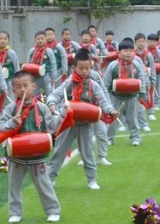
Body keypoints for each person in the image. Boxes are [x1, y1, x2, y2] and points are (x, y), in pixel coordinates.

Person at [48, 49, 117, 190]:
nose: (84, 71)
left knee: (88, 153)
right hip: (68, 123)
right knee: (59, 151)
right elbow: (54, 95)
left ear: (91, 67)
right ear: (74, 68)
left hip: (85, 123)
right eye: (81, 68)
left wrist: (110, 110)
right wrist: (52, 103)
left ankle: (92, 180)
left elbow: (103, 101)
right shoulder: (69, 83)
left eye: (88, 68)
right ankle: (50, 178)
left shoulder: (94, 85)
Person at [0, 71, 61, 223]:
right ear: (13, 90)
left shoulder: (42, 108)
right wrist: (12, 123)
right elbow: (1, 128)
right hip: (16, 157)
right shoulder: (10, 109)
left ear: (34, 86)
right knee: (14, 186)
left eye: (26, 86)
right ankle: (15, 212)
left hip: (36, 156)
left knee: (44, 185)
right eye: (18, 87)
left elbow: (52, 127)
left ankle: (53, 210)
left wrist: (62, 114)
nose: (22, 90)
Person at [103, 39, 146, 149]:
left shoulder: (136, 65)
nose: (128, 53)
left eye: (131, 51)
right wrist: (106, 98)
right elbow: (106, 82)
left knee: (132, 119)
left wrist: (142, 93)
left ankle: (135, 138)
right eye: (125, 51)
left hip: (132, 97)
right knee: (113, 119)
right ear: (119, 52)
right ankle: (109, 138)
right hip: (116, 97)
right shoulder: (113, 65)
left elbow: (142, 79)